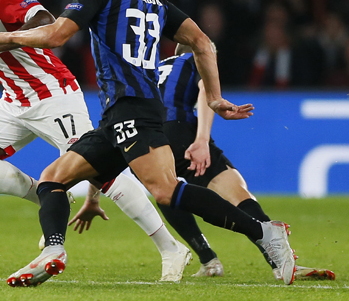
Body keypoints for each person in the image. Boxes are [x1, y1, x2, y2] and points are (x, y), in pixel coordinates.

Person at [0, 0, 296, 287]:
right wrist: (214, 98)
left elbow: (56, 35)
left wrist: (7, 39)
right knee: (53, 180)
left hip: (134, 106)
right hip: (119, 114)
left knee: (165, 190)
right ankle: (53, 250)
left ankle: (263, 232)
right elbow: (203, 43)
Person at [0, 0, 192, 282]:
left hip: (52, 96)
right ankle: (48, 201)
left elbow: (44, 19)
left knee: (101, 172)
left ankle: (171, 248)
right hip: (15, 99)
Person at [71, 44, 335, 281]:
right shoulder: (194, 60)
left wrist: (93, 197)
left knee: (166, 193)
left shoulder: (150, 70)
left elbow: (108, 144)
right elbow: (205, 90)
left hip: (141, 135)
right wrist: (201, 140)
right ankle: (279, 262)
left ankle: (208, 260)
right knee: (235, 191)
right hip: (179, 131)